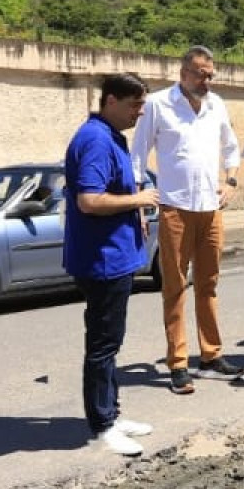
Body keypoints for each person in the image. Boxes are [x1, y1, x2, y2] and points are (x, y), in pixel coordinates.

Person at [132, 45, 244, 394]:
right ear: (183, 73)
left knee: (208, 284)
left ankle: (211, 355)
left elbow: (230, 147)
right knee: (175, 287)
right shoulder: (158, 104)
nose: (206, 79)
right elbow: (138, 153)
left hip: (210, 209)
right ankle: (178, 363)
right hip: (175, 209)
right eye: (199, 73)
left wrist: (231, 181)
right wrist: (139, 204)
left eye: (210, 74)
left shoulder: (216, 105)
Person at [62, 74, 160, 457]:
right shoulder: (97, 140)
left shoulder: (107, 135)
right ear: (112, 100)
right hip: (103, 259)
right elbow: (89, 200)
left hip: (114, 256)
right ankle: (102, 424)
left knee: (110, 341)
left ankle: (111, 414)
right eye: (135, 105)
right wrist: (139, 200)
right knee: (103, 343)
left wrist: (134, 202)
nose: (139, 113)